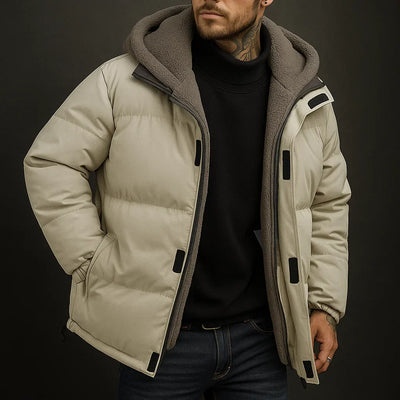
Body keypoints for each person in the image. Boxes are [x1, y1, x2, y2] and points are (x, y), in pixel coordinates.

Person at [23, 1, 352, 399]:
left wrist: (322, 304)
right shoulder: (126, 79)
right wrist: (92, 261)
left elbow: (328, 202)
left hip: (259, 342)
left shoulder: (304, 98)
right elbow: (51, 161)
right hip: (164, 347)